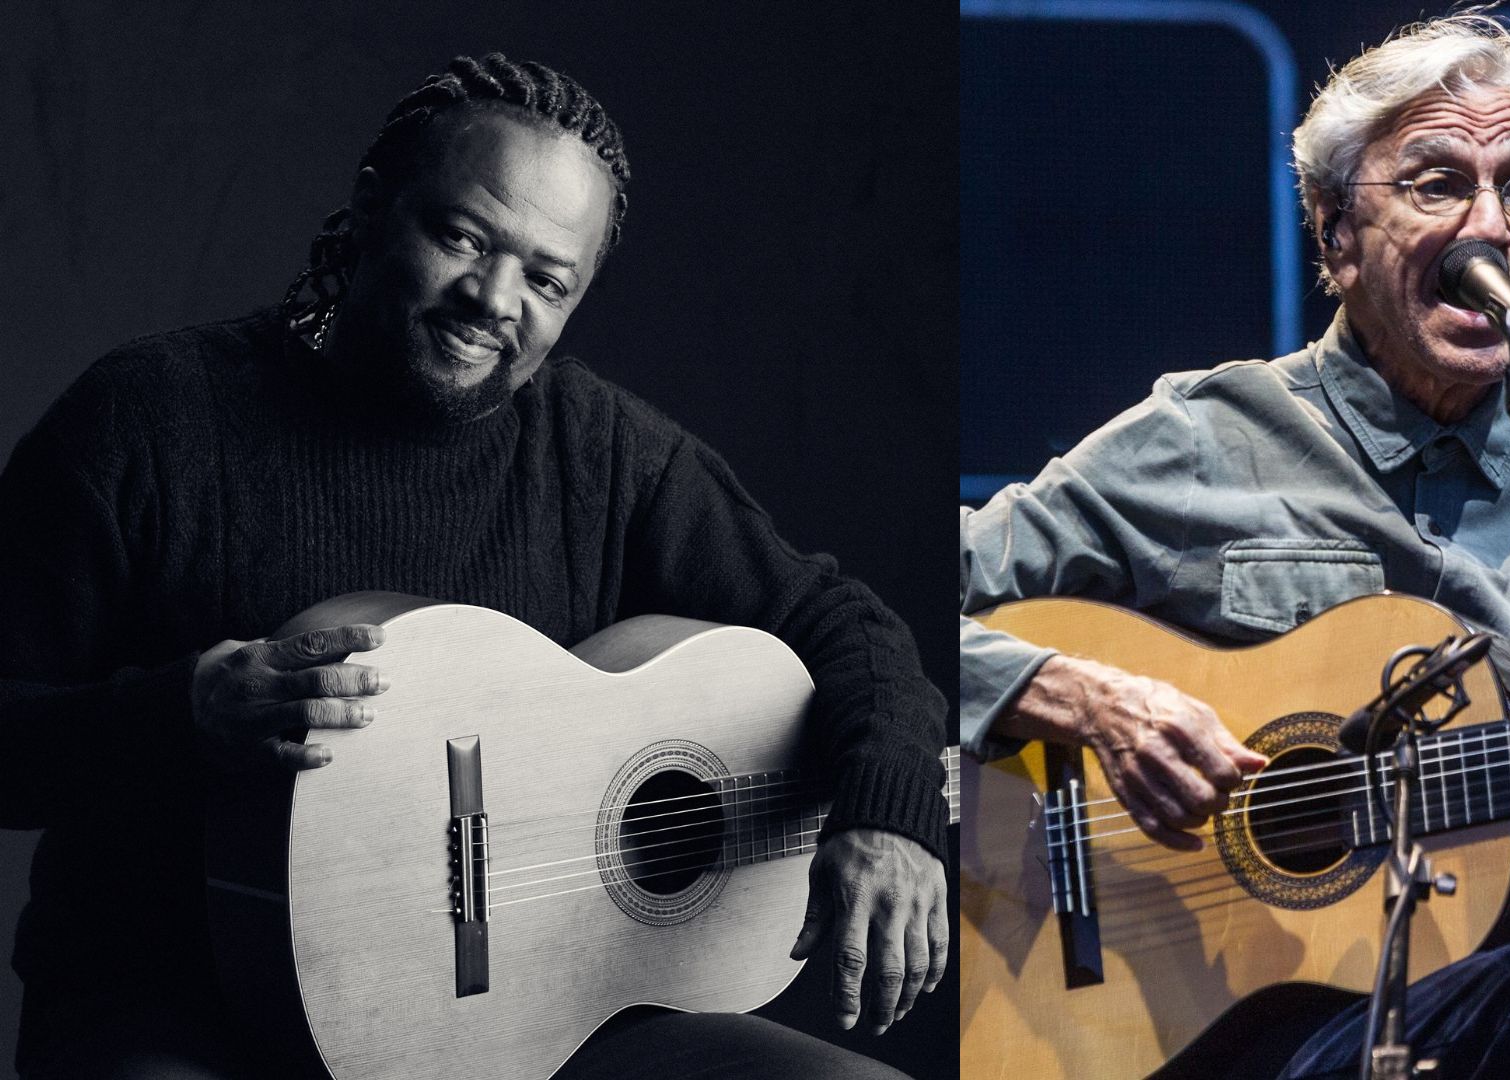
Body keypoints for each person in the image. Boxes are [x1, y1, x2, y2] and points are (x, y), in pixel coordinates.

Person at [0, 53, 947, 1080]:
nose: (495, 299)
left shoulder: (601, 451)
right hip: (183, 1009)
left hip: (529, 1029)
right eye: (462, 237)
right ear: (372, 209)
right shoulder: (149, 418)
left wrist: (888, 817)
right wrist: (179, 713)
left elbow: (845, 625)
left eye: (548, 278)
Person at [959, 13, 1510, 1079]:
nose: (1490, 225)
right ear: (1334, 233)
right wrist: (1081, 700)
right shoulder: (1202, 441)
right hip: (1251, 1035)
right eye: (1435, 184)